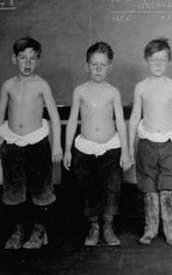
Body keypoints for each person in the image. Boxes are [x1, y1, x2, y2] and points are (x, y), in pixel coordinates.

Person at [128, 38, 172, 245]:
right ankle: (150, 228)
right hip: (147, 143)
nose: (158, 64)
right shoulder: (141, 87)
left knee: (167, 185)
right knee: (149, 186)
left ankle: (170, 228)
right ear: (146, 60)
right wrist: (130, 146)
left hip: (170, 143)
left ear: (169, 61)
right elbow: (134, 117)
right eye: (153, 60)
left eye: (163, 60)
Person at [63, 41, 132, 246]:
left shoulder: (113, 92)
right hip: (85, 148)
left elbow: (120, 122)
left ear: (110, 67)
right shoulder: (80, 91)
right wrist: (67, 150)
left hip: (110, 148)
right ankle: (94, 227)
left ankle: (108, 227)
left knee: (112, 188)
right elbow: (73, 120)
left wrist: (126, 152)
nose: (99, 69)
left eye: (103, 65)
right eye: (94, 65)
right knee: (88, 188)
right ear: (87, 66)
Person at [0, 36, 62, 249]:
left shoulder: (41, 85)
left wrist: (57, 145)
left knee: (41, 190)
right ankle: (17, 230)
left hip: (37, 143)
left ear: (38, 60)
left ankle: (39, 230)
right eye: (22, 57)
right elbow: (0, 114)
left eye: (32, 58)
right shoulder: (8, 85)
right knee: (13, 190)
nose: (27, 63)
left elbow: (54, 116)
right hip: (12, 143)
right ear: (13, 58)